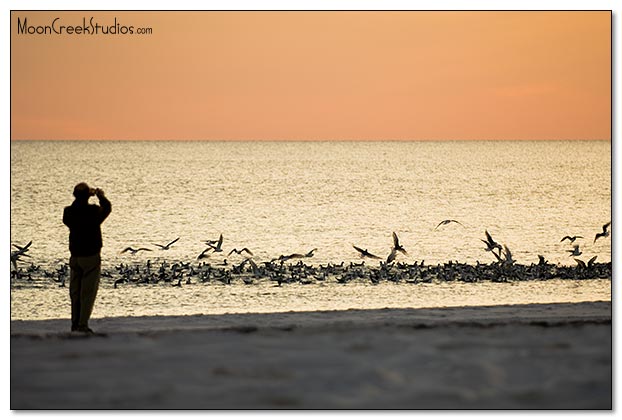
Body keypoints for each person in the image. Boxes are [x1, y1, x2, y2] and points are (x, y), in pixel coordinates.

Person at [63, 182, 112, 334]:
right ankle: (83, 325)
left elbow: (70, 217)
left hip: (75, 256)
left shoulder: (69, 212)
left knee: (75, 293)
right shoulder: (93, 211)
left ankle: (75, 323)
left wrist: (85, 195)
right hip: (90, 256)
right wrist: (100, 196)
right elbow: (107, 209)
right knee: (87, 293)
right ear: (88, 196)